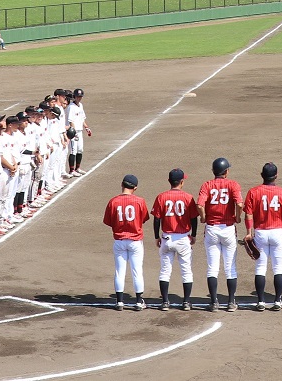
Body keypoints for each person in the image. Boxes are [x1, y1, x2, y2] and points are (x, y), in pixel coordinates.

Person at [243, 162, 282, 310]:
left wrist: (248, 232)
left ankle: (260, 302)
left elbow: (248, 214)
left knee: (260, 267)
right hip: (278, 232)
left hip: (260, 233)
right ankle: (278, 300)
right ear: (276, 176)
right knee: (278, 267)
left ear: (262, 175)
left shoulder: (253, 192)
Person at [196, 156, 243, 311]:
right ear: (226, 171)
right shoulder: (233, 184)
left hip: (212, 229)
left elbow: (199, 204)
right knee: (230, 267)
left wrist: (203, 218)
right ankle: (231, 302)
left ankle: (214, 302)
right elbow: (239, 203)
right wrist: (237, 216)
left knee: (212, 267)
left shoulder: (207, 185)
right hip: (228, 229)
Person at [152, 168, 200, 310]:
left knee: (165, 271)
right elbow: (194, 219)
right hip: (183, 238)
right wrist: (194, 235)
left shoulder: (161, 197)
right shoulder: (188, 197)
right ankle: (186, 302)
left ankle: (165, 302)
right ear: (182, 182)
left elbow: (156, 219)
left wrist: (156, 236)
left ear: (169, 181)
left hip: (167, 238)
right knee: (186, 271)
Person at [103, 174, 150, 311]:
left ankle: (119, 302)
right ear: (135, 188)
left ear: (122, 184)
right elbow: (144, 218)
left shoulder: (113, 201)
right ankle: (138, 301)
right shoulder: (140, 201)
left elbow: (108, 221)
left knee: (119, 271)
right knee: (137, 271)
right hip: (135, 240)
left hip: (119, 240)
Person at [65, 88, 92, 176]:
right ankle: (72, 170)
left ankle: (78, 168)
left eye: (80, 97)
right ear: (74, 96)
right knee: (73, 150)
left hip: (80, 131)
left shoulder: (80, 105)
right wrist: (74, 132)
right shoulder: (71, 107)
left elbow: (82, 118)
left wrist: (86, 127)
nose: (79, 98)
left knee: (80, 150)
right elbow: (70, 120)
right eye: (77, 96)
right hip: (73, 132)